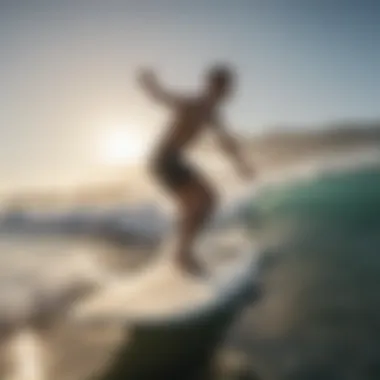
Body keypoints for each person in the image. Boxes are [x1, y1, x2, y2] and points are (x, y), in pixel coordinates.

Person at [138, 64, 254, 275]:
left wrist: (242, 166)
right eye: (226, 87)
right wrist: (150, 84)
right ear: (214, 86)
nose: (229, 92)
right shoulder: (193, 104)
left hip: (174, 159)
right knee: (205, 200)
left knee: (206, 202)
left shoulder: (212, 115)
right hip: (164, 159)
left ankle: (182, 252)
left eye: (229, 88)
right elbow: (164, 98)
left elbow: (225, 143)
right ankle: (182, 254)